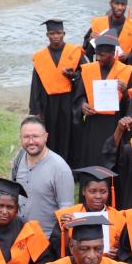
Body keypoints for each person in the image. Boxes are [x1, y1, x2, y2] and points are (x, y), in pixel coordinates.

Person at [75, 35, 132, 171]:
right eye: (96, 54)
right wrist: (82, 105)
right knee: (93, 156)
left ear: (113, 53)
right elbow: (79, 97)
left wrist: (125, 91)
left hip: (115, 124)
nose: (98, 58)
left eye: (102, 55)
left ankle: (113, 184)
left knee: (113, 159)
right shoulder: (87, 70)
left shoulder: (126, 71)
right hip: (93, 123)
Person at [10, 115, 75, 240]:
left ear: (45, 137)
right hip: (19, 235)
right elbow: (12, 191)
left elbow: (66, 210)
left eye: (35, 136)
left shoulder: (60, 168)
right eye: (26, 137)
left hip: (45, 239)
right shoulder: (19, 159)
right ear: (20, 138)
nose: (31, 141)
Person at [28, 19, 82, 165]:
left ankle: (70, 166)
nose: (56, 36)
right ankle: (50, 165)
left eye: (59, 33)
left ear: (64, 33)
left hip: (69, 100)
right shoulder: (40, 56)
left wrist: (73, 76)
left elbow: (85, 75)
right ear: (47, 35)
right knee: (50, 134)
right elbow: (36, 85)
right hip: (48, 102)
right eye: (52, 33)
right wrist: (37, 110)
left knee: (69, 134)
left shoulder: (75, 52)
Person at [51, 166, 126, 258]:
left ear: (109, 192)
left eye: (103, 192)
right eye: (92, 191)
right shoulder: (68, 215)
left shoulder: (119, 218)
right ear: (83, 191)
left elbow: (126, 249)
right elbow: (57, 250)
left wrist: (118, 253)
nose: (98, 196)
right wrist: (65, 231)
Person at [84, 0, 132, 64]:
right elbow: (87, 52)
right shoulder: (98, 24)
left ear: (126, 6)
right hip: (102, 67)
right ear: (110, 4)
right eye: (116, 4)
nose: (120, 7)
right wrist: (90, 40)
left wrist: (129, 55)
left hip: (124, 67)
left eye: (123, 4)